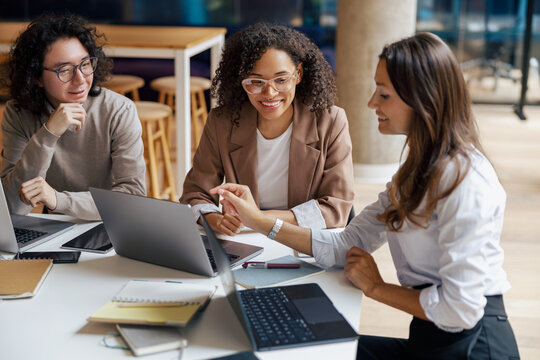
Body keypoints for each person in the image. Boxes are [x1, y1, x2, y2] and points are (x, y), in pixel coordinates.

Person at [210, 32, 520, 359]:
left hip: (475, 347)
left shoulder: (464, 181)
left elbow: (461, 311)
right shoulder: (414, 174)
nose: (372, 103)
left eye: (384, 94)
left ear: (422, 99)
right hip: (432, 337)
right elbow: (347, 243)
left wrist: (376, 288)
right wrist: (259, 221)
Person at [180, 23, 354, 236]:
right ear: (241, 81)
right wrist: (215, 220)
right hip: (248, 238)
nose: (270, 93)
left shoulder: (331, 121)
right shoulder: (222, 122)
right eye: (256, 81)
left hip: (305, 238)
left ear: (298, 74)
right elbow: (195, 194)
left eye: (281, 80)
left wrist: (259, 218)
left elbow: (336, 208)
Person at [1, 14, 146, 221]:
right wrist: (48, 134)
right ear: (36, 77)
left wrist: (59, 200)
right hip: (56, 227)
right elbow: (11, 207)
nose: (80, 80)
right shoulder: (17, 113)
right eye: (64, 70)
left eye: (85, 64)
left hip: (109, 225)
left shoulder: (118, 110)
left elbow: (133, 199)